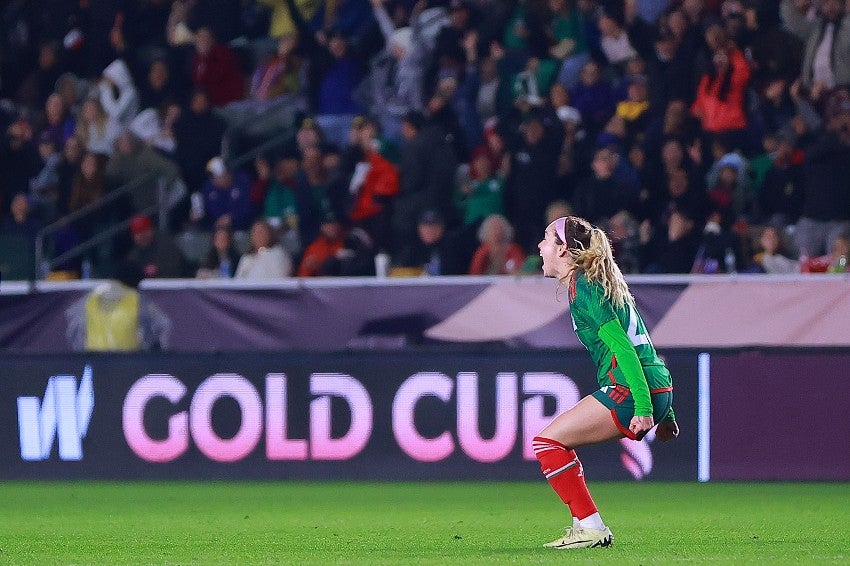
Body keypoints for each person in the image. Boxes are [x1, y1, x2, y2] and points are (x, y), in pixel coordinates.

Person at [534, 215, 678, 549]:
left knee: (548, 443)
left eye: (546, 239)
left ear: (564, 250)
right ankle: (583, 525)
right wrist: (665, 412)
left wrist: (644, 409)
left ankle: (591, 527)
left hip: (631, 389)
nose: (540, 247)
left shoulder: (584, 286)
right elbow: (646, 348)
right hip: (659, 385)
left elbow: (626, 349)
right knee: (556, 442)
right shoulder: (600, 282)